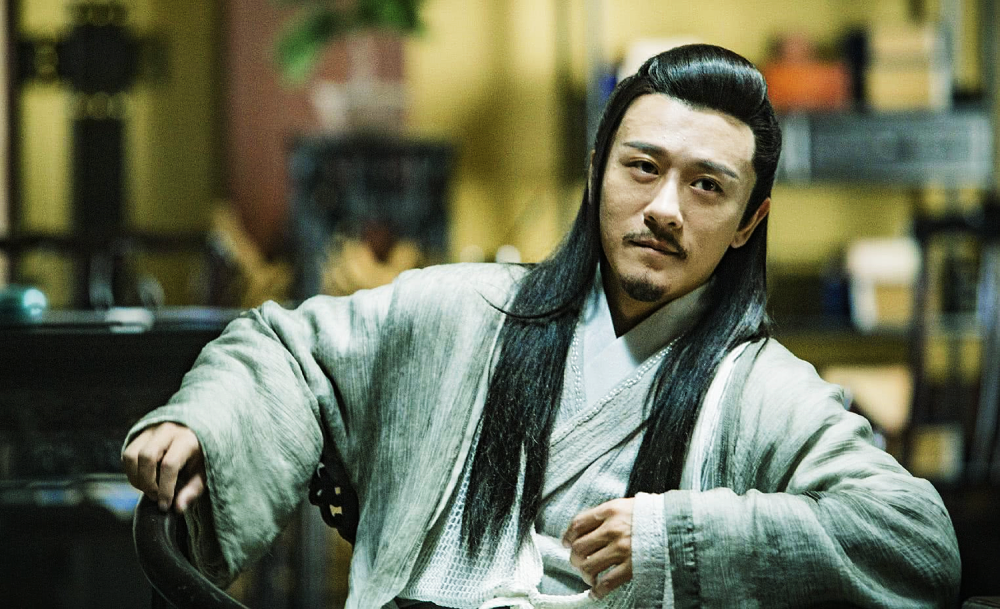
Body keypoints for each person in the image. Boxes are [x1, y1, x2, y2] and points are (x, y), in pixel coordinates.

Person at [122, 44, 960, 608]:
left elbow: (918, 542)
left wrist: (682, 536)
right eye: (642, 167)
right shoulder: (464, 312)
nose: (665, 208)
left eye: (708, 186)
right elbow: (290, 349)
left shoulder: (763, 393)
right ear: (597, 174)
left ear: (749, 221)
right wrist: (204, 423)